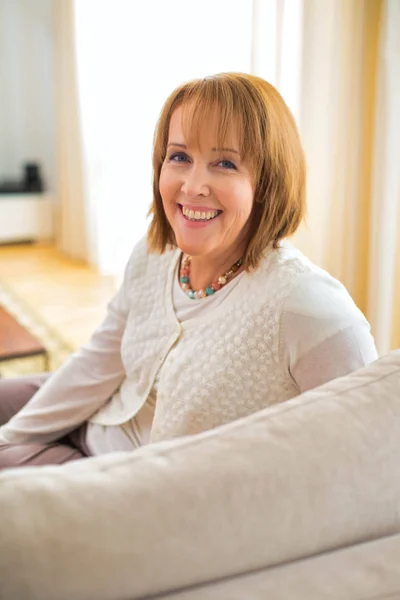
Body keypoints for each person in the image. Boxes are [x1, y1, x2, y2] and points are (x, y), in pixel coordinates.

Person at [0, 72, 378, 471]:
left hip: (125, 486)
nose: (193, 185)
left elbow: (366, 456)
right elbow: (101, 360)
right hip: (104, 412)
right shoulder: (154, 253)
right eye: (179, 156)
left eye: (225, 163)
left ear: (268, 183)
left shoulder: (307, 307)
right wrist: (14, 437)